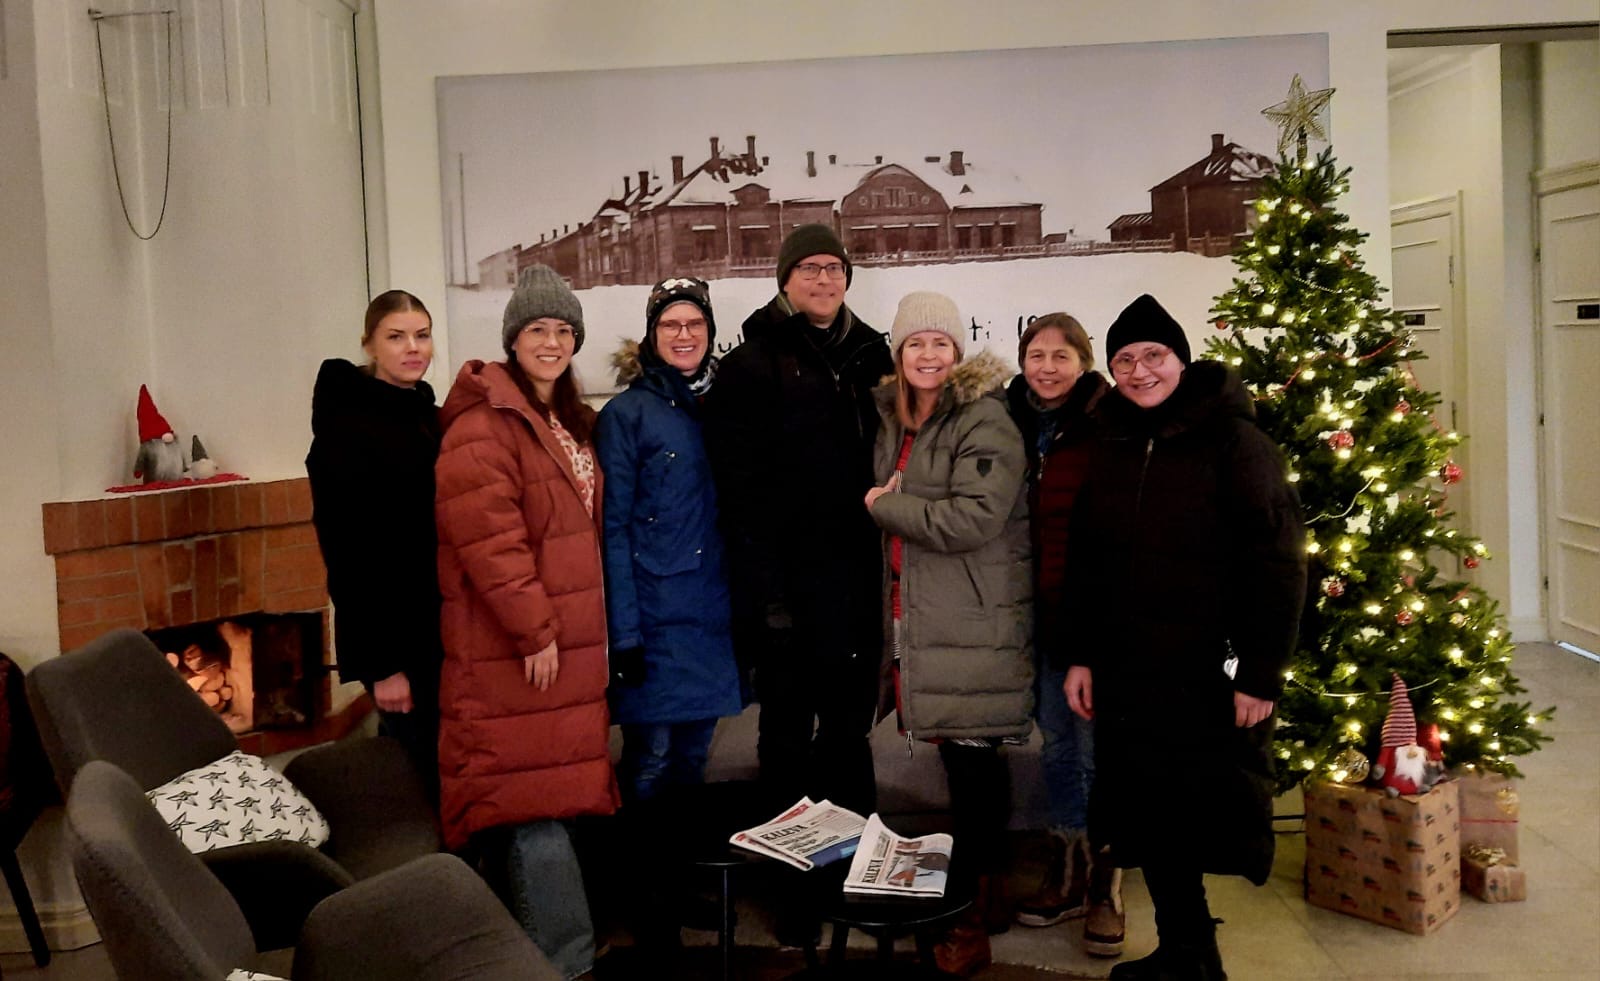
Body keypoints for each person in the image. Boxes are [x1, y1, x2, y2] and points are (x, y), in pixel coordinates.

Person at [1062, 294, 1306, 981]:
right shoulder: (1110, 436)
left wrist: (1261, 671)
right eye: (1125, 358)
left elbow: (1279, 561)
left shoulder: (1237, 440)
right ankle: (1186, 949)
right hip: (1129, 667)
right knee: (1150, 811)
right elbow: (1086, 554)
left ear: (1181, 358)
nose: (1140, 371)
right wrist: (1079, 652)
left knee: (1199, 809)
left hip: (1205, 669)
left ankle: (1197, 956)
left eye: (1154, 355)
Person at [434, 264, 618, 980]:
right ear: (513, 338)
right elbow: (489, 540)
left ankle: (539, 956)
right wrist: (536, 629)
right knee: (530, 805)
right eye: (538, 329)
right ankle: (565, 964)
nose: (551, 341)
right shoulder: (484, 425)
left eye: (563, 329)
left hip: (563, 648)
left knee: (546, 799)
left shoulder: (563, 419)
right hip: (514, 651)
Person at [863, 292, 1033, 977]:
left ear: (957, 352)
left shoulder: (983, 417)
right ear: (898, 355)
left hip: (972, 620)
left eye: (940, 342)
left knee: (973, 768)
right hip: (928, 617)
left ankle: (969, 922)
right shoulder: (901, 418)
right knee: (965, 766)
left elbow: (972, 519)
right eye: (915, 344)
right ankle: (982, 901)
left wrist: (886, 505)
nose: (928, 355)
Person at [703, 223, 893, 820]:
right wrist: (768, 599)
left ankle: (852, 872)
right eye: (809, 268)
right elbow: (737, 496)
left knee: (847, 734)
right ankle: (794, 889)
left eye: (834, 269)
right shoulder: (750, 365)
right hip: (784, 594)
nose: (823, 279)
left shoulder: (871, 356)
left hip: (855, 589)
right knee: (785, 738)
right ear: (785, 279)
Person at [593, 277, 743, 947]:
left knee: (690, 765)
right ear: (652, 337)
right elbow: (613, 529)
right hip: (653, 619)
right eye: (670, 325)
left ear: (709, 331)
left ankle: (679, 885)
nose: (684, 334)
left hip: (711, 615)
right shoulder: (626, 415)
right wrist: (622, 633)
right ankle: (641, 894)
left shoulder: (725, 405)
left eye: (695, 323)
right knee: (648, 760)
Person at [1003, 314, 1124, 953]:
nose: (1046, 367)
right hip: (1041, 616)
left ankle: (1106, 878)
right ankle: (1066, 863)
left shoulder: (1108, 424)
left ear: (1084, 361)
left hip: (1095, 619)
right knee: (1055, 749)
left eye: (1061, 355)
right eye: (1036, 355)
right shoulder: (1012, 418)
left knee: (1096, 752)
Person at [305, 289, 443, 804]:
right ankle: (428, 881)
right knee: (420, 780)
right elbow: (348, 557)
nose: (413, 347)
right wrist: (383, 666)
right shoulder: (347, 429)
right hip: (393, 642)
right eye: (396, 336)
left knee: (426, 772)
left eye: (422, 335)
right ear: (369, 345)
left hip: (435, 633)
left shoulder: (425, 414)